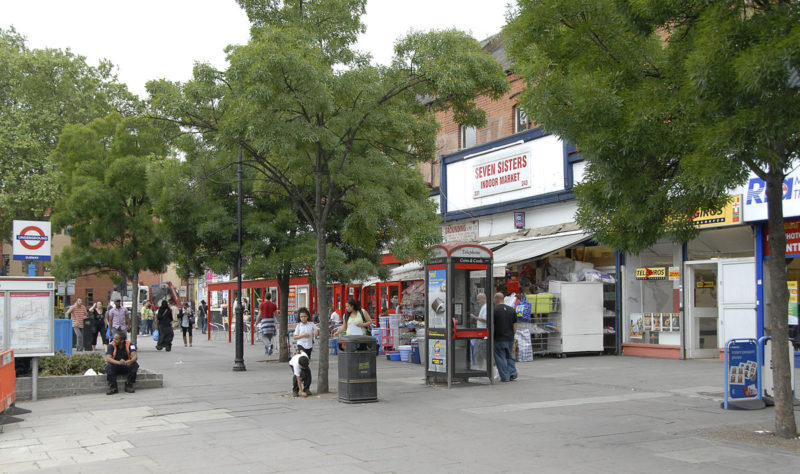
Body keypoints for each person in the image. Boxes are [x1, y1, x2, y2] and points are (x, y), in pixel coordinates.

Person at [493, 292, 518, 382]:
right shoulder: (511, 310)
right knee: (510, 355)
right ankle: (513, 373)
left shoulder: (494, 310)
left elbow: (492, 326)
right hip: (509, 338)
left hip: (498, 338)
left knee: (500, 357)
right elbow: (515, 325)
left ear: (496, 299)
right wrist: (512, 335)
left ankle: (505, 376)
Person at [105, 329, 138, 395]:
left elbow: (135, 356)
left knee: (135, 365)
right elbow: (108, 358)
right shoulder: (111, 345)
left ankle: (129, 385)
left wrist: (130, 361)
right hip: (115, 365)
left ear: (122, 340)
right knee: (108, 366)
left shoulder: (130, 344)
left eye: (116, 339)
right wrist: (118, 362)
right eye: (114, 338)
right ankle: (113, 387)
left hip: (126, 365)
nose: (114, 340)